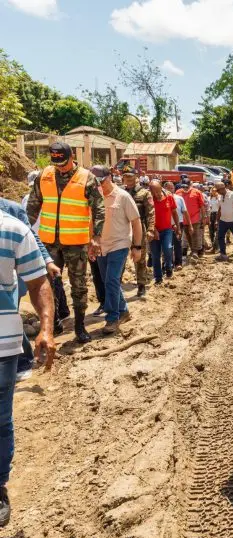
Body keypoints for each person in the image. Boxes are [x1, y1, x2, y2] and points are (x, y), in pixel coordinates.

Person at [0, 209, 56, 527]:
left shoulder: (13, 229)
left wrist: (46, 329)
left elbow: (37, 283)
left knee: (0, 419)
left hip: (3, 345)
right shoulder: (14, 227)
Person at [25, 142, 105, 343]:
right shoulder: (44, 176)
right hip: (49, 242)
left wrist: (96, 237)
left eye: (63, 162)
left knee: (78, 286)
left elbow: (99, 209)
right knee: (46, 285)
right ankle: (53, 324)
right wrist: (24, 231)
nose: (59, 166)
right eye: (56, 162)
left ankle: (79, 326)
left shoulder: (87, 177)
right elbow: (33, 207)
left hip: (76, 243)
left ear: (71, 157)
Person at [0, 197, 57, 381]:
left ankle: (23, 360)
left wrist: (47, 261)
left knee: (10, 314)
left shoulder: (12, 210)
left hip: (14, 276)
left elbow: (32, 238)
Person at [92, 166, 143, 334]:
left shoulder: (123, 197)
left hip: (119, 244)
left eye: (101, 181)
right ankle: (123, 310)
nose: (99, 185)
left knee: (111, 281)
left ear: (110, 177)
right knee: (109, 281)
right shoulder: (94, 197)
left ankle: (112, 318)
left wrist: (137, 246)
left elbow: (136, 222)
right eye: (95, 182)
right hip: (101, 246)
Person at [122, 167, 155, 298]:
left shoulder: (144, 193)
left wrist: (151, 229)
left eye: (130, 177)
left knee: (140, 258)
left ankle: (141, 284)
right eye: (126, 177)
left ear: (136, 177)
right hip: (123, 228)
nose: (128, 180)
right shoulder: (121, 192)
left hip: (138, 228)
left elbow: (150, 213)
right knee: (120, 256)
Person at [149, 180, 180, 284]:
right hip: (153, 231)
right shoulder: (149, 200)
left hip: (167, 229)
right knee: (155, 255)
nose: (156, 195)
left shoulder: (169, 197)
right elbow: (146, 217)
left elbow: (175, 213)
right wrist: (153, 230)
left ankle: (168, 267)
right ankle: (158, 278)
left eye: (157, 192)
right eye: (153, 192)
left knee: (168, 249)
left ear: (161, 188)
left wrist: (178, 227)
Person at [176, 177, 207, 258]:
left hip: (195, 217)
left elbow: (202, 206)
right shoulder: (178, 192)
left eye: (186, 186)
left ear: (190, 185)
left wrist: (204, 218)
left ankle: (195, 251)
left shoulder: (197, 192)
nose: (185, 188)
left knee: (195, 235)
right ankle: (193, 250)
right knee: (188, 235)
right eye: (183, 186)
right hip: (184, 219)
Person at [165, 181, 191, 270]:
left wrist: (190, 225)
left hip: (178, 223)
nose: (171, 190)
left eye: (172, 188)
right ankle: (168, 264)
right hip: (166, 224)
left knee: (177, 244)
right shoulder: (161, 198)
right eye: (169, 188)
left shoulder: (179, 198)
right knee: (167, 245)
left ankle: (178, 263)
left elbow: (185, 212)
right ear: (165, 189)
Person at [215, 181, 233, 261]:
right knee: (220, 237)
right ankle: (223, 254)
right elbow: (219, 209)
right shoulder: (219, 197)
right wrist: (217, 220)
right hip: (223, 221)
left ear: (222, 189)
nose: (217, 192)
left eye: (218, 190)